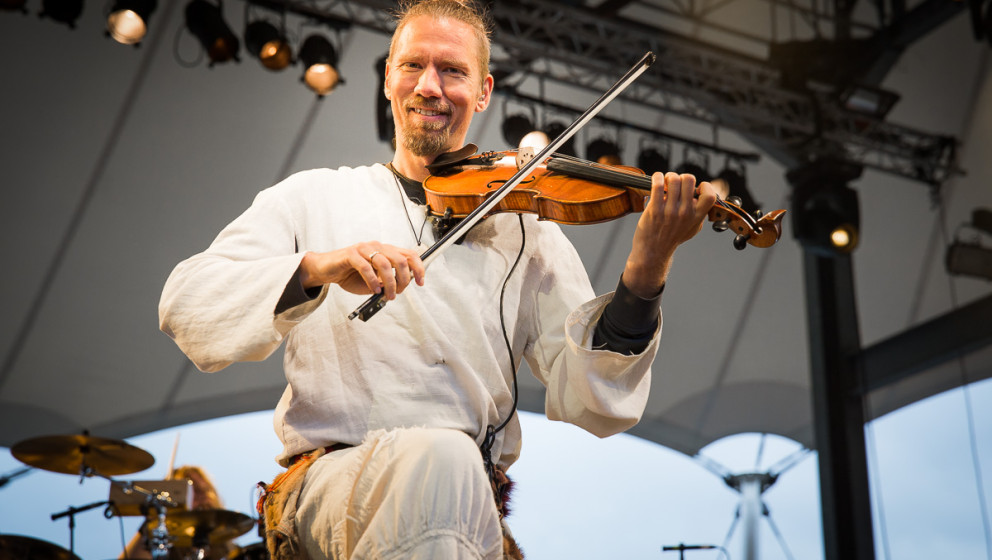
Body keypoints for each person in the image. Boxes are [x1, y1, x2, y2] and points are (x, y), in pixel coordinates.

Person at [158, 1, 717, 558]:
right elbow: (187, 303)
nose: (430, 86)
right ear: (387, 79)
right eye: (413, 66)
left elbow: (595, 397)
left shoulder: (526, 230)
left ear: (483, 91)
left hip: (468, 500)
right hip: (330, 487)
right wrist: (318, 269)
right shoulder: (313, 197)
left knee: (448, 464)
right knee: (442, 457)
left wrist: (647, 268)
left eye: (452, 70)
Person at [120, 466, 236, 560]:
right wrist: (156, 517)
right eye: (195, 490)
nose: (203, 497)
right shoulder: (166, 545)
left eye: (205, 490)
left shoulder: (231, 549)